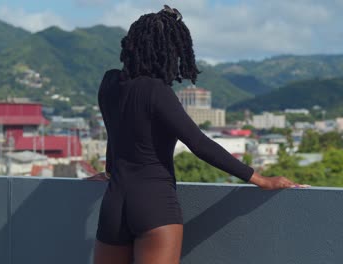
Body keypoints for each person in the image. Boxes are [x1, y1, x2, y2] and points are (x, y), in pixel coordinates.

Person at [91, 5, 309, 264]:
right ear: (170, 51)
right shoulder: (157, 92)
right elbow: (198, 143)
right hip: (155, 205)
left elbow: (116, 134)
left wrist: (109, 171)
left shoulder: (110, 83)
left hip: (114, 204)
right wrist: (260, 179)